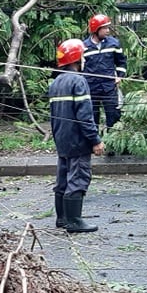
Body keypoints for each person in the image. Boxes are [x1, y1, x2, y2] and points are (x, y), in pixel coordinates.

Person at [49, 39, 105, 233]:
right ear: (76, 58)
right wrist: (95, 140)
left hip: (62, 138)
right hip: (78, 139)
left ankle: (62, 218)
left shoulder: (56, 82)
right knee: (78, 177)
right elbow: (85, 116)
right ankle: (74, 221)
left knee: (63, 178)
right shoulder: (78, 81)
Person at [82, 13, 127, 130]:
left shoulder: (114, 43)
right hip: (92, 88)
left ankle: (112, 144)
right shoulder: (84, 47)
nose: (108, 31)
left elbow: (121, 62)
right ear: (96, 30)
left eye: (108, 27)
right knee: (92, 117)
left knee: (113, 116)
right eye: (104, 28)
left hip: (109, 87)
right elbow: (80, 68)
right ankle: (94, 144)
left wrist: (120, 76)